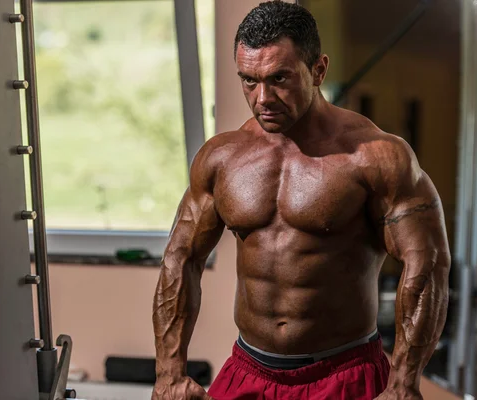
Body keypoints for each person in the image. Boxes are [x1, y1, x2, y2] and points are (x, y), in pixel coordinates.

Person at [151, 1, 450, 399]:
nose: (262, 98)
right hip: (248, 370)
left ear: (318, 70)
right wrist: (169, 372)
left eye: (279, 78)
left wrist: (403, 382)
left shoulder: (375, 157)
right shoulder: (222, 158)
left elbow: (426, 266)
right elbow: (181, 258)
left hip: (343, 374)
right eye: (249, 81)